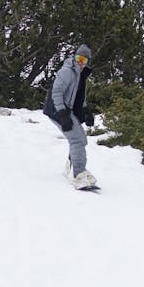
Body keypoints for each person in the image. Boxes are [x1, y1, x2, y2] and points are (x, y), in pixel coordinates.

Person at [43, 44, 97, 188]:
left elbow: (80, 98)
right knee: (78, 140)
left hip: (68, 110)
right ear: (74, 57)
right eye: (79, 58)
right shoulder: (67, 71)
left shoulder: (81, 76)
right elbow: (56, 92)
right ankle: (79, 175)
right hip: (58, 110)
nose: (80, 62)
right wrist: (62, 114)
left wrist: (86, 112)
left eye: (84, 60)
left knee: (79, 137)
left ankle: (70, 167)